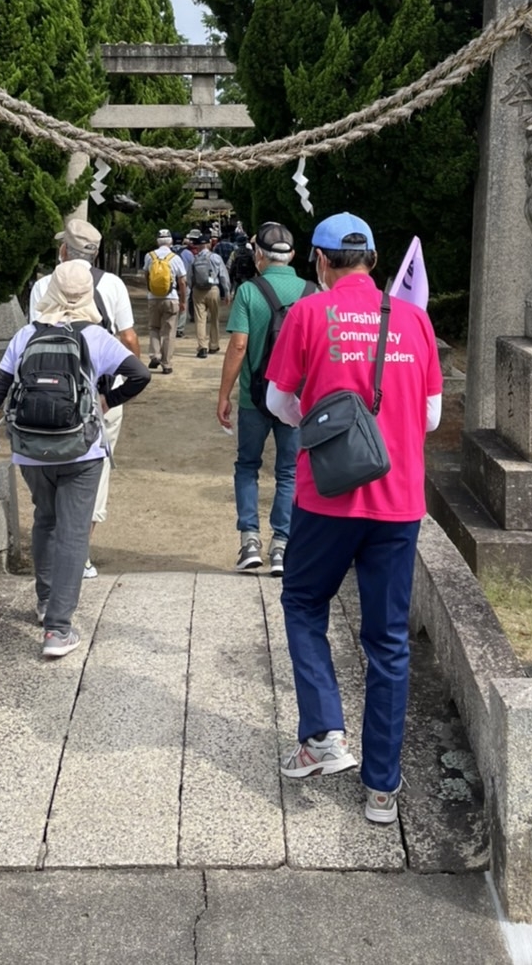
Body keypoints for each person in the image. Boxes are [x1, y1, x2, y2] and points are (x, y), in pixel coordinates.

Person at [264, 211, 442, 826]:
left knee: (304, 601)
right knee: (388, 640)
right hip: (399, 503)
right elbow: (434, 417)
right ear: (371, 259)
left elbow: (279, 404)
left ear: (319, 261)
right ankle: (382, 789)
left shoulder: (309, 315)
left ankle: (323, 737)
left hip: (326, 498)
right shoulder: (415, 320)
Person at [0, 259, 151, 658]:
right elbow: (141, 374)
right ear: (87, 295)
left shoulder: (25, 336)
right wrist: (107, 399)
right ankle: (58, 629)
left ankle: (44, 603)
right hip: (82, 450)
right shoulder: (96, 337)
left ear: (52, 292)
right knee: (74, 533)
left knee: (45, 519)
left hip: (32, 451)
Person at [29, 217, 140, 580]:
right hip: (99, 391)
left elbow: (34, 335)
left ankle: (56, 546)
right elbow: (128, 338)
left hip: (49, 392)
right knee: (96, 471)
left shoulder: (42, 285)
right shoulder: (113, 285)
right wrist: (114, 391)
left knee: (50, 465)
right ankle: (81, 553)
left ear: (64, 251)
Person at [216, 221, 313, 574]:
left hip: (254, 397)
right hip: (297, 401)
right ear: (293, 256)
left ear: (259, 254)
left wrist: (224, 394)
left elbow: (239, 345)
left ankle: (250, 541)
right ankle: (281, 547)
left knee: (247, 466)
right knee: (289, 471)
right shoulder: (311, 292)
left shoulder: (248, 292)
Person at [143, 227, 186, 373]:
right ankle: (166, 364)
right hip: (171, 298)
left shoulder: (149, 256)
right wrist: (183, 300)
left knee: (154, 328)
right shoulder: (175, 258)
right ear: (171, 242)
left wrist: (150, 291)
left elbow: (146, 276)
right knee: (169, 332)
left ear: (157, 241)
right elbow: (182, 282)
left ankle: (155, 355)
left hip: (153, 298)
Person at [187, 232, 230, 359]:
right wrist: (227, 292)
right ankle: (214, 345)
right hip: (213, 289)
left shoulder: (194, 259)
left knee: (200, 319)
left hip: (198, 290)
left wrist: (192, 288)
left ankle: (202, 347)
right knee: (214, 318)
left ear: (199, 246)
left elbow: (189, 277)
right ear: (208, 244)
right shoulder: (215, 257)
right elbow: (223, 275)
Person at [177, 229, 200, 338]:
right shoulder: (188, 254)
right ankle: (179, 328)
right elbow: (193, 267)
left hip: (168, 284)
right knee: (183, 304)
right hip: (184, 282)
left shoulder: (168, 253)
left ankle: (169, 326)